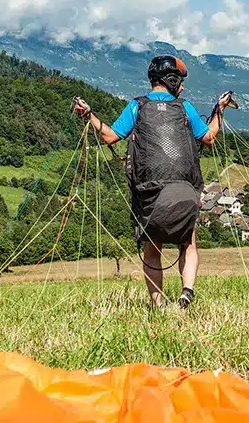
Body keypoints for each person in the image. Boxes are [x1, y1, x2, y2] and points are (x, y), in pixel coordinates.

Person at [73, 55, 231, 309]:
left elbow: (110, 136)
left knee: (151, 250)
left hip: (149, 194)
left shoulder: (137, 106)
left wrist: (89, 115)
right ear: (172, 81)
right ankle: (186, 292)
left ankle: (158, 306)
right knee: (188, 243)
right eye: (180, 82)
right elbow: (209, 138)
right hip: (185, 190)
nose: (182, 87)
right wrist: (219, 111)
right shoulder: (185, 107)